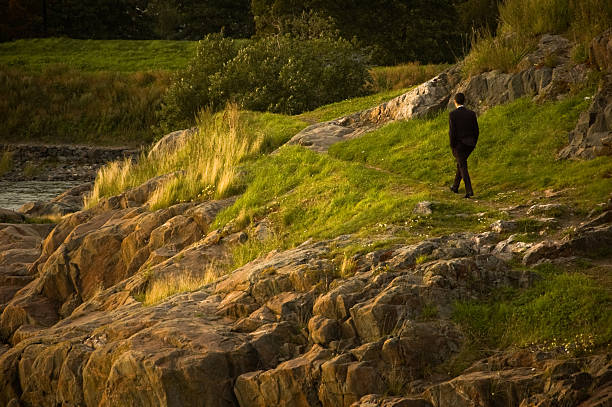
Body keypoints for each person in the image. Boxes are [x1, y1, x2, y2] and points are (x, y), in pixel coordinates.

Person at [448, 92, 478, 198]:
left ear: (455, 102)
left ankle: (469, 190)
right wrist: (474, 143)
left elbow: (452, 132)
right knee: (460, 164)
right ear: (464, 101)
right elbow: (476, 130)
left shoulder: (453, 115)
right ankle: (455, 187)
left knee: (462, 166)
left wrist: (452, 146)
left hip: (459, 145)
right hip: (470, 144)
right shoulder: (471, 113)